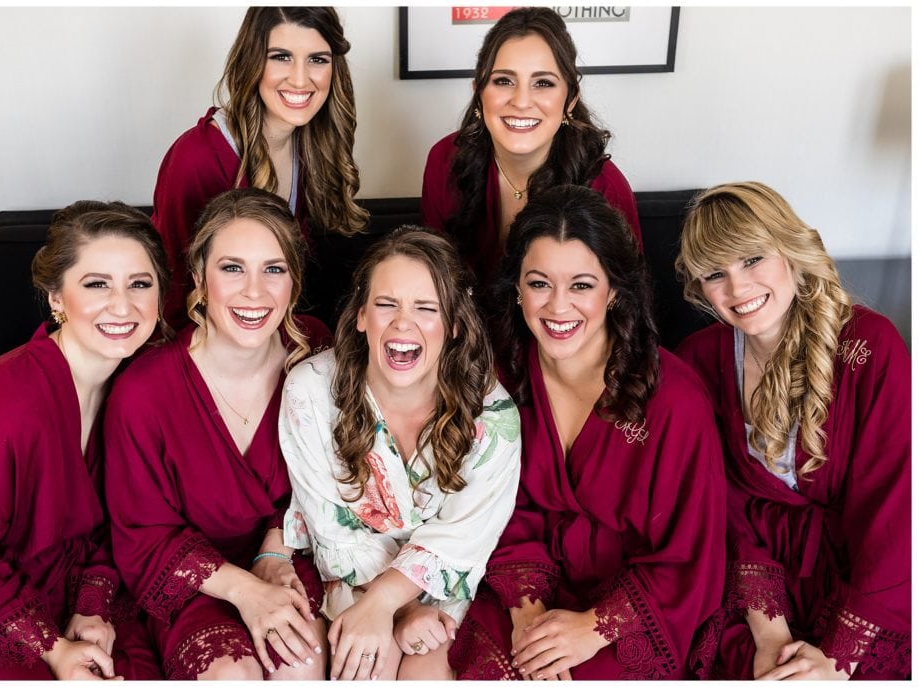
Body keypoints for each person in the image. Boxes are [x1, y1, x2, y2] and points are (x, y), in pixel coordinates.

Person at [449, 184, 725, 680]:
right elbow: (495, 507)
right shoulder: (501, 379)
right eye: (539, 284)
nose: (558, 307)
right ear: (516, 288)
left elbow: (690, 556)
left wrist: (592, 629)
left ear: (614, 290)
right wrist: (526, 611)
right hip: (522, 583)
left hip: (635, 609)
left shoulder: (676, 402)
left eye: (581, 285)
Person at [0, 201, 169, 680]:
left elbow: (121, 518)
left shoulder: (130, 388)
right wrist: (52, 648)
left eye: (140, 284)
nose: (123, 305)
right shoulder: (5, 412)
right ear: (56, 298)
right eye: (96, 284)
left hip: (72, 583)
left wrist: (91, 607)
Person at [674, 181, 911, 680]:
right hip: (753, 580)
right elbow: (722, 507)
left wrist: (837, 661)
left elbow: (892, 514)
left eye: (752, 259)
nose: (738, 289)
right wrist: (770, 634)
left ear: (790, 251)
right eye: (716, 273)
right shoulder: (698, 360)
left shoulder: (871, 347)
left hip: (866, 582)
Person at [104, 188, 331, 680]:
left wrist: (275, 552)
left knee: (301, 665)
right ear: (199, 278)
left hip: (294, 558)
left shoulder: (319, 353)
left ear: (294, 279)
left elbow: (343, 475)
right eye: (232, 268)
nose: (255, 292)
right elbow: (143, 536)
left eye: (274, 269)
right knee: (232, 677)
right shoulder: (143, 391)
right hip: (194, 582)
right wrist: (247, 591)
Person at [278, 228, 522, 680]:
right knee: (365, 666)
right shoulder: (311, 391)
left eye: (426, 308)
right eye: (387, 304)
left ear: (452, 326)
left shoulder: (493, 415)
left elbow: (464, 537)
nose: (403, 324)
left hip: (443, 588)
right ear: (361, 316)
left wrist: (400, 605)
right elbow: (334, 531)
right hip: (351, 577)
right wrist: (390, 608)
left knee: (423, 675)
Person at [152, 6, 367, 328]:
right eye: (280, 56)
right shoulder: (198, 156)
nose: (299, 78)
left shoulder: (311, 148)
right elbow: (172, 295)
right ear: (252, 61)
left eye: (318, 59)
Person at [421, 7, 641, 291]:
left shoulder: (607, 187)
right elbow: (435, 289)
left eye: (543, 83)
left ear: (570, 100)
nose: (522, 101)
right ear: (478, 93)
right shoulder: (444, 160)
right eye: (503, 81)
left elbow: (626, 306)